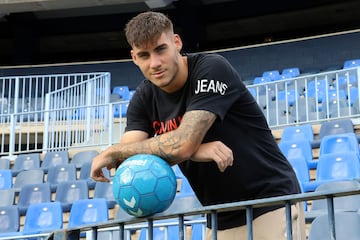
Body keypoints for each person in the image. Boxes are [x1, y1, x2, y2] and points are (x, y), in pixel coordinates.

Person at [91, 11, 305, 240]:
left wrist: (114, 150)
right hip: (219, 216)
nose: (155, 63)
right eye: (144, 55)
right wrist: (196, 150)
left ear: (176, 43)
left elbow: (178, 144)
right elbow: (128, 162)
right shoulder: (144, 98)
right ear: (134, 58)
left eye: (161, 49)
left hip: (270, 202)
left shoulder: (211, 68)